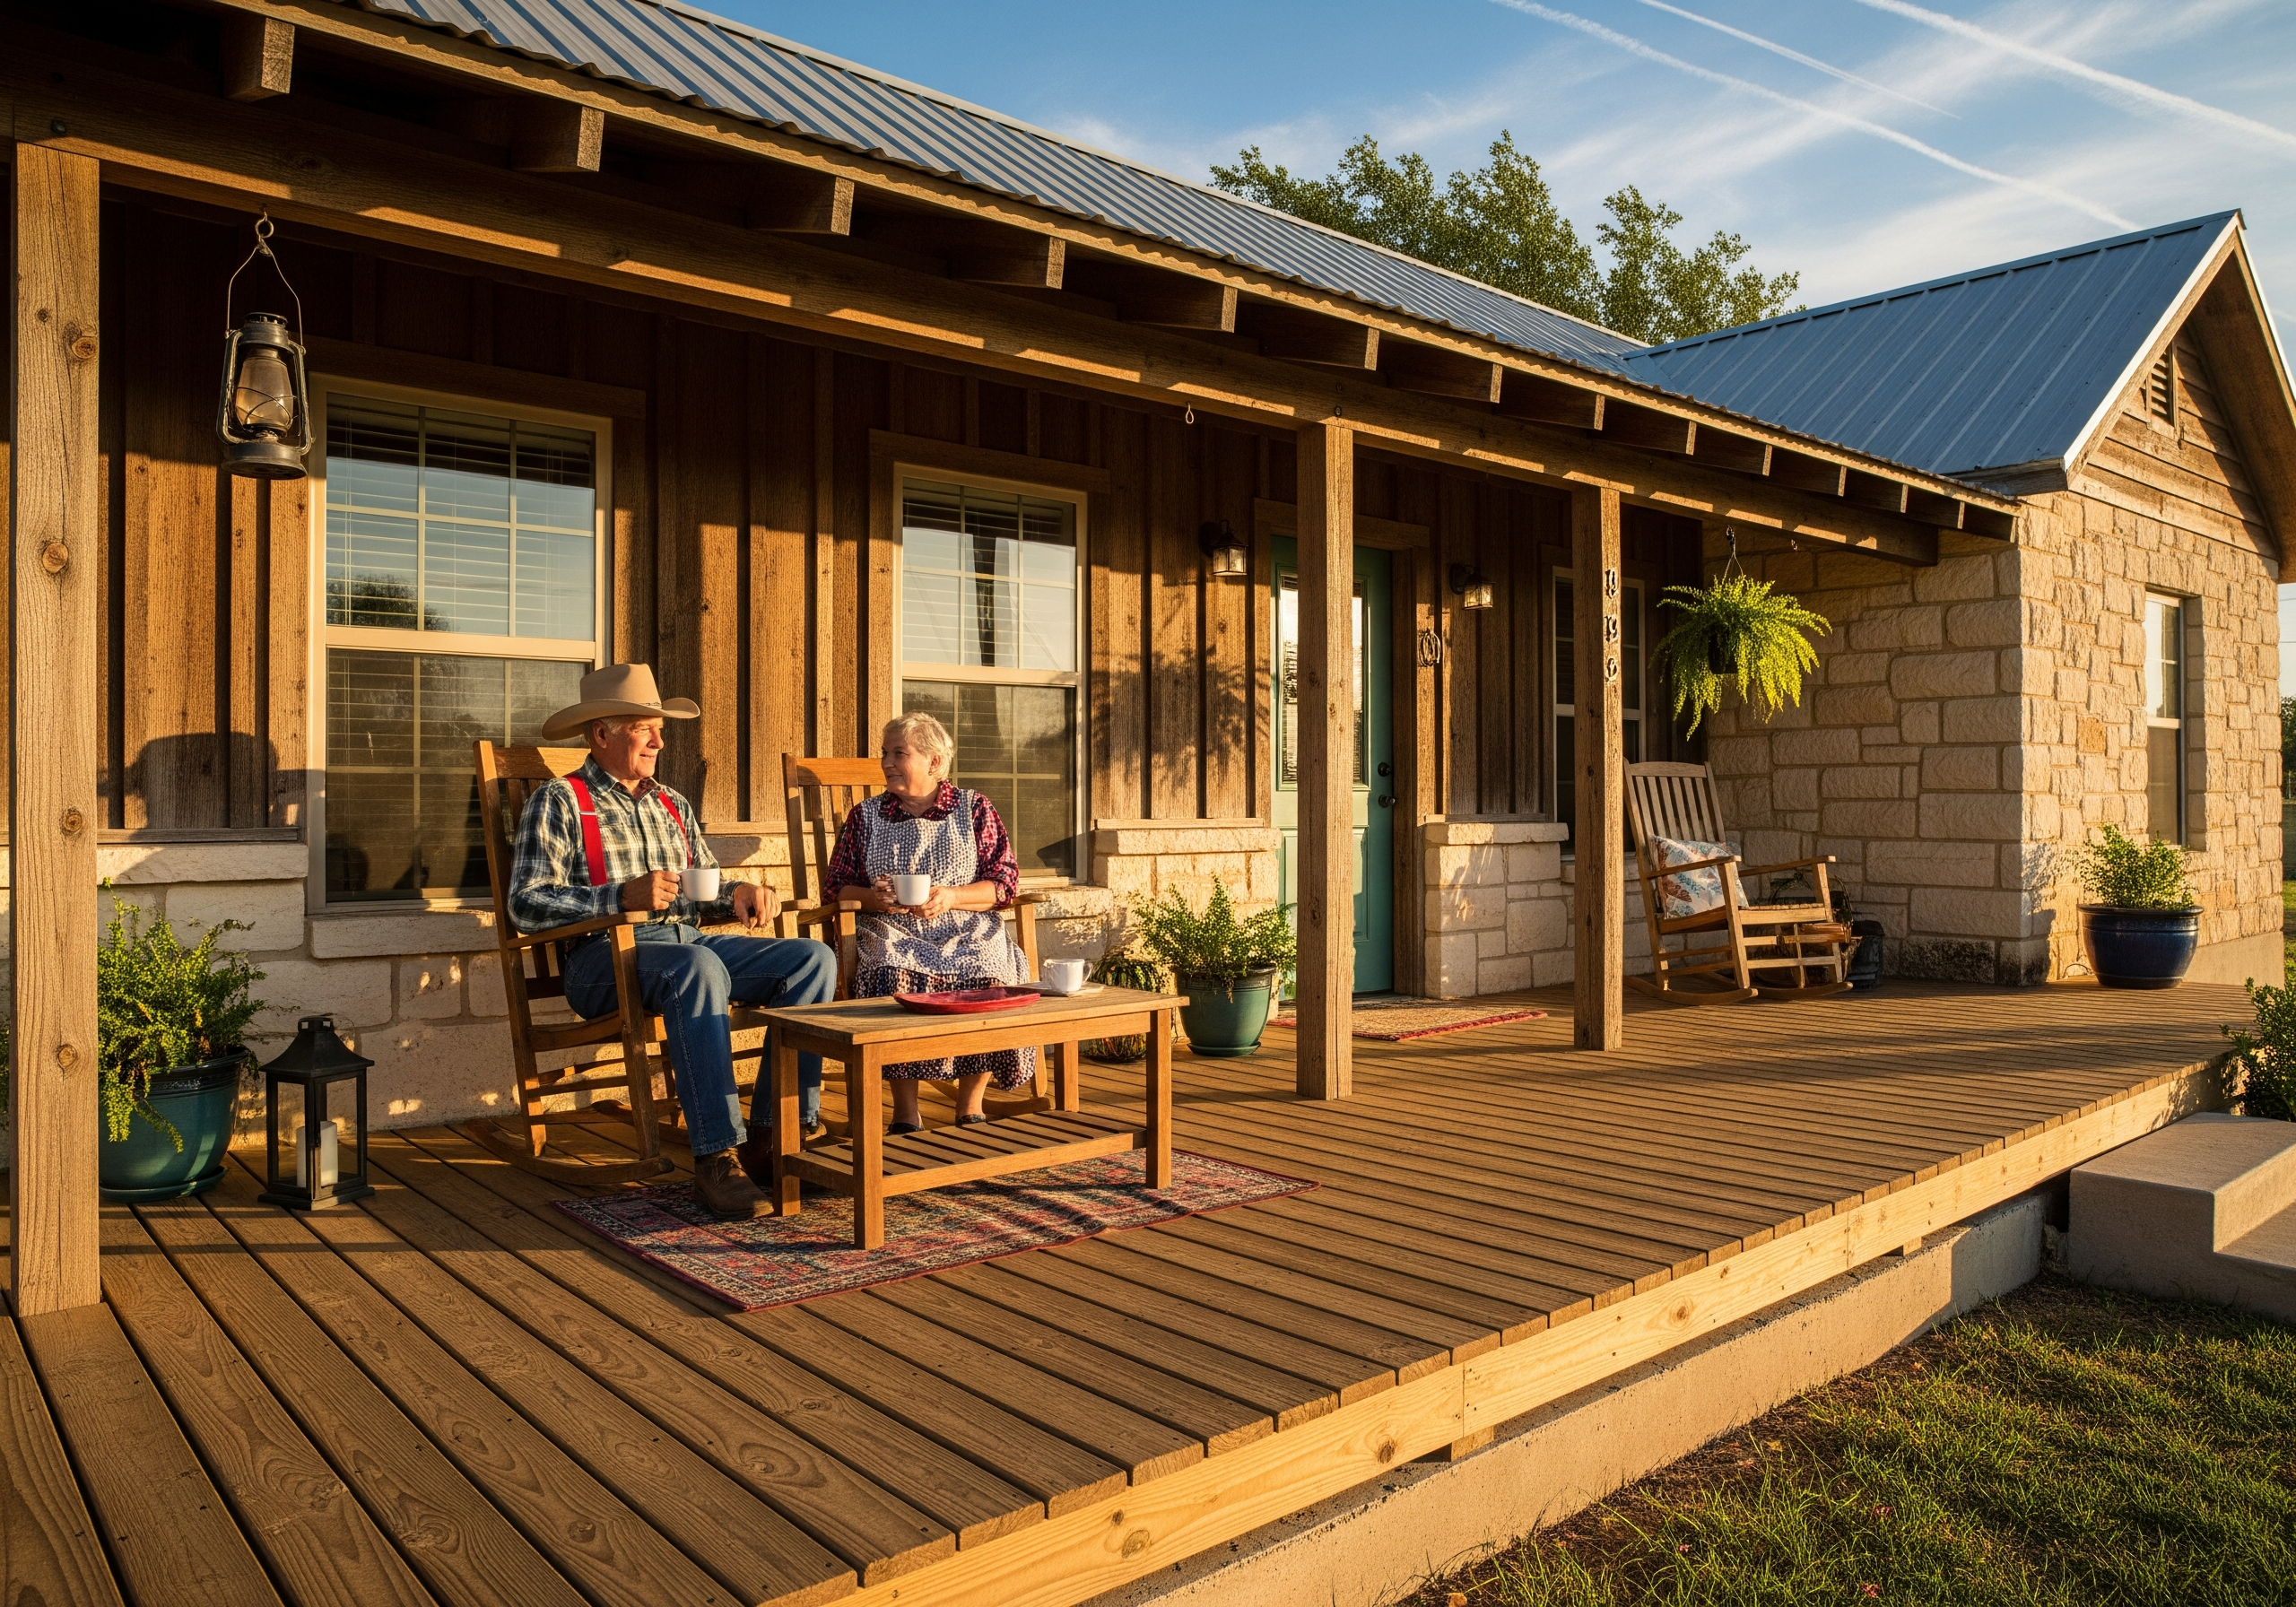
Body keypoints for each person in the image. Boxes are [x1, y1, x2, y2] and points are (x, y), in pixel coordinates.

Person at [509, 663, 835, 1219]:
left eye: (659, 728)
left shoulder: (671, 804)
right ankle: (715, 1157)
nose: (659, 741)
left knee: (811, 960)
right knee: (697, 968)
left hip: (683, 943)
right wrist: (618, 897)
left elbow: (698, 889)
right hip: (599, 960)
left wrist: (738, 893)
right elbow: (526, 901)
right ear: (601, 734)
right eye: (644, 728)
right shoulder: (560, 801)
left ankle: (774, 1137)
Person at [822, 712, 1032, 1132]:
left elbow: (1005, 883)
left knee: (989, 972)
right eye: (885, 753)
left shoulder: (974, 808)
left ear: (935, 762)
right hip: (892, 928)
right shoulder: (865, 816)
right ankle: (905, 1112)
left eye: (899, 753)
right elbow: (836, 889)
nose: (885, 763)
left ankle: (971, 1106)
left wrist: (953, 895)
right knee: (891, 973)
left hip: (965, 925)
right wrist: (872, 898)